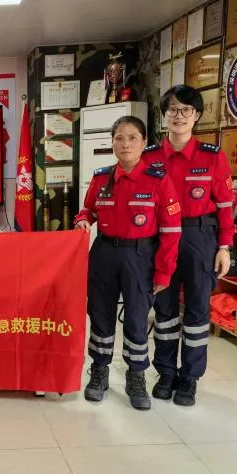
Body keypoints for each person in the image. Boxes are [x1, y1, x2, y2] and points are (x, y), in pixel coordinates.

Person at [75, 116, 181, 410]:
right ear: (112, 143)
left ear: (144, 142)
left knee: (136, 319)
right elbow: (88, 210)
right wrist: (83, 220)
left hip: (141, 257)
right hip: (104, 255)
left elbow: (171, 231)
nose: (125, 144)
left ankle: (136, 375)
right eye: (119, 138)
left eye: (133, 138)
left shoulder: (159, 180)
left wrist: (164, 271)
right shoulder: (101, 178)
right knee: (100, 315)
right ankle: (99, 371)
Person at [143, 85, 234, 406]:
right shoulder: (150, 157)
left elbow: (225, 205)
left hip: (199, 237)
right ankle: (166, 372)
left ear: (196, 116)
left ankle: (190, 378)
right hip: (159, 241)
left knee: (197, 310)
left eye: (186, 110)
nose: (179, 116)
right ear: (164, 115)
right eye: (172, 109)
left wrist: (224, 247)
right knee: (164, 310)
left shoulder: (212, 156)